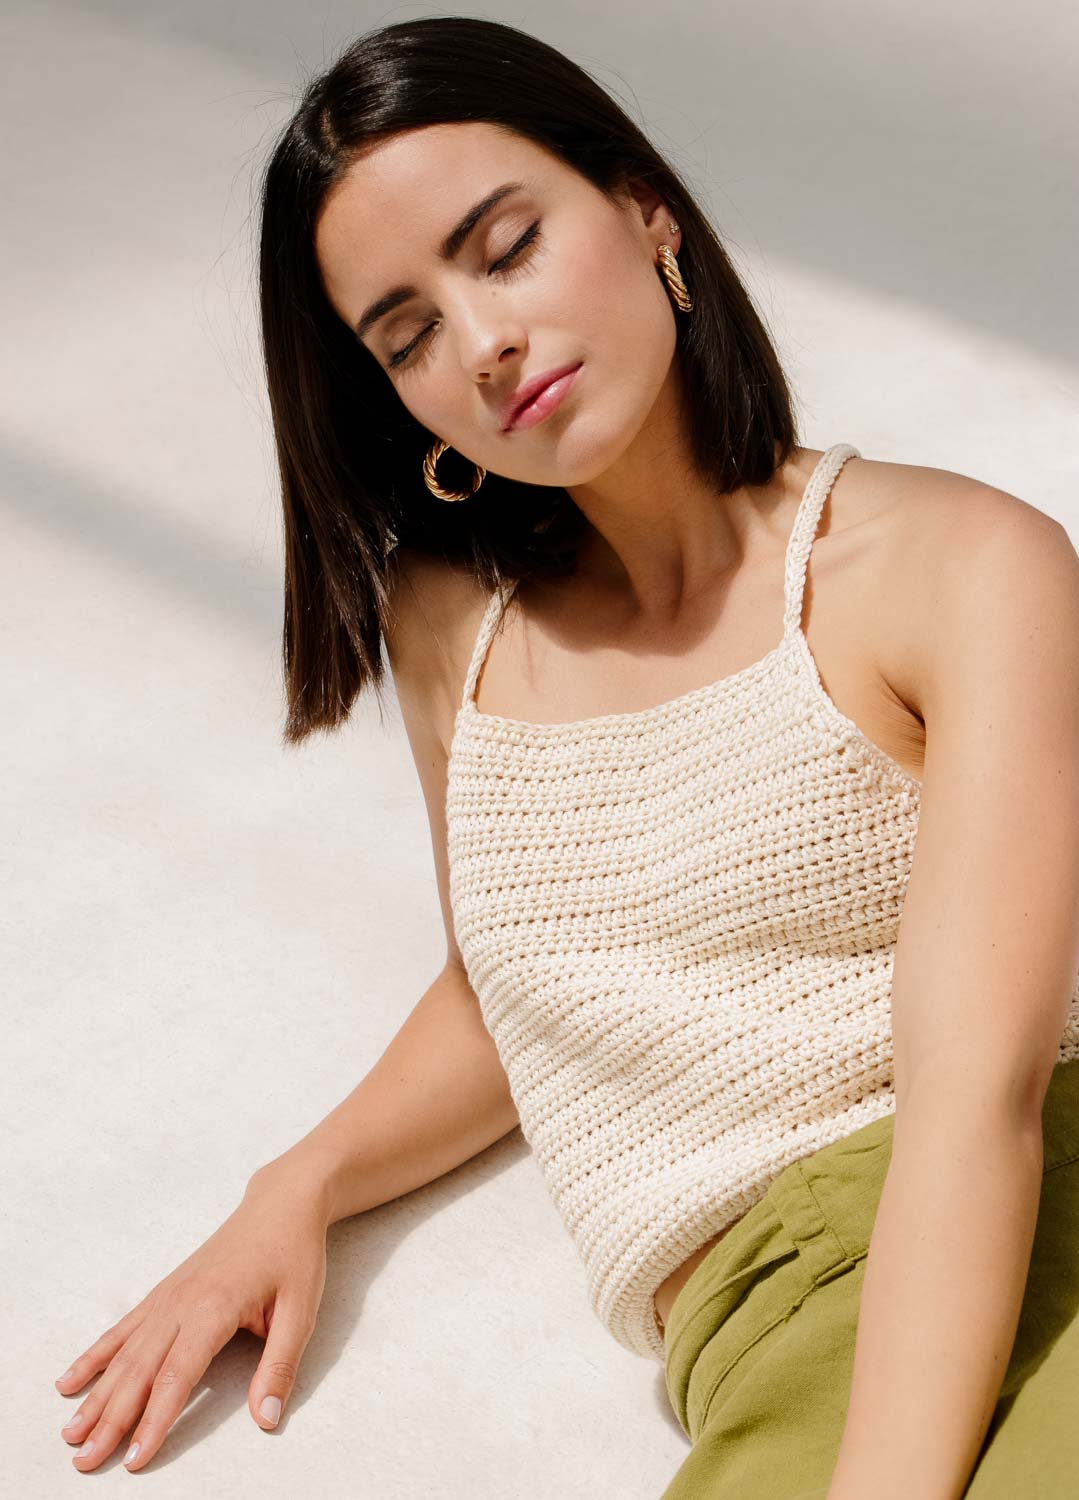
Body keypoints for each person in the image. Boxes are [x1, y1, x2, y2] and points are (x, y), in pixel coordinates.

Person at [55, 15, 1079, 1494]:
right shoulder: (447, 626)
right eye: (407, 335)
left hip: (1014, 1232)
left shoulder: (962, 567)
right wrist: (301, 1184)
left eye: (507, 247)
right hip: (767, 1332)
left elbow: (978, 1101)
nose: (483, 344)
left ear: (646, 209)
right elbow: (518, 980)